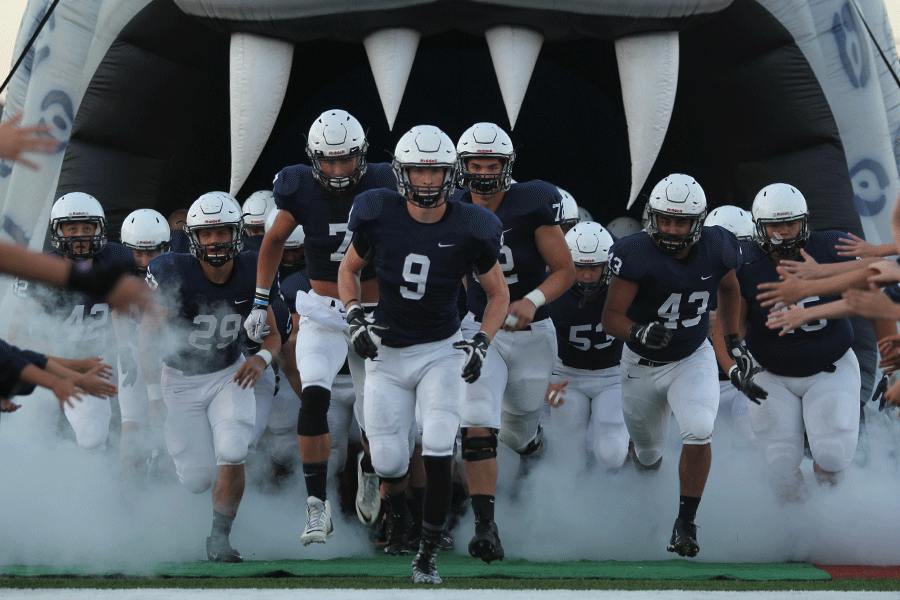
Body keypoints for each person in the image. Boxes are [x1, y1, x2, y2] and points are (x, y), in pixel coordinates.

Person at [338, 124, 508, 584]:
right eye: (418, 171)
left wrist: (482, 341)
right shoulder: (376, 212)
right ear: (401, 173)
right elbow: (348, 269)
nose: (428, 182)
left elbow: (498, 295)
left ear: (449, 175)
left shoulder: (473, 225)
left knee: (437, 442)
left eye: (435, 172)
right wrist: (354, 315)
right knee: (390, 460)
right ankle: (398, 519)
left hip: (441, 350)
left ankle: (426, 554)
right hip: (388, 353)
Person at [244, 109, 396, 545]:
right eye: (328, 161)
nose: (337, 170)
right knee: (314, 393)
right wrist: (260, 300)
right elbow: (273, 239)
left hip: (373, 311)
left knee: (377, 418)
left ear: (362, 155)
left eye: (346, 160)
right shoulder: (296, 186)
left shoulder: (386, 182)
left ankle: (371, 471)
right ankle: (316, 507)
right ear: (313, 159)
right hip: (322, 312)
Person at [601, 173, 750, 558]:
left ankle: (685, 523)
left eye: (680, 221)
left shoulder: (718, 245)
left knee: (700, 429)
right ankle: (639, 511)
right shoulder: (636, 252)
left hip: (691, 357)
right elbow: (611, 316)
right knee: (648, 454)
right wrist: (637, 332)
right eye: (665, 219)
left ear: (696, 222)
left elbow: (730, 289)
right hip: (640, 363)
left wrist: (731, 339)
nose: (670, 228)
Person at [718, 183, 894, 502]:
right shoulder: (743, 264)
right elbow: (729, 328)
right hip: (771, 372)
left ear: (805, 221)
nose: (784, 232)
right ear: (759, 227)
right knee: (780, 460)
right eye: (775, 225)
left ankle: (830, 522)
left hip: (831, 365)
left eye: (791, 223)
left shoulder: (831, 246)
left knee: (832, 453)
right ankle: (797, 529)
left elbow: (875, 299)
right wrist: (735, 365)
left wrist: (892, 362)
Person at [455, 122, 574, 564]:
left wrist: (532, 299)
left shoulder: (530, 204)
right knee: (477, 418)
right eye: (476, 165)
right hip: (478, 328)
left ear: (507, 167)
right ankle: (485, 527)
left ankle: (532, 447)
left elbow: (565, 270)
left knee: (518, 427)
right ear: (462, 168)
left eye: (492, 165)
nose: (484, 174)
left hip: (529, 333)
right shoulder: (451, 207)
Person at [140, 192, 281, 562]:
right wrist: (154, 397)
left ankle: (219, 539)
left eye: (221, 232)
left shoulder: (254, 269)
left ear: (236, 233)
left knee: (234, 450)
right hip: (180, 379)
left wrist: (262, 358)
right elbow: (148, 338)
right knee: (197, 480)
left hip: (228, 373)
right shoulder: (172, 269)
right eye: (206, 234)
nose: (215, 241)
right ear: (193, 239)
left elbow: (277, 334)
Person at [9, 192, 135, 451]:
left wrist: (126, 351)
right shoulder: (42, 268)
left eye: (87, 227)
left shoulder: (116, 260)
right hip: (47, 365)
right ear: (58, 232)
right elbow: (16, 334)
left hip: (94, 365)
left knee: (92, 437)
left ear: (99, 230)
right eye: (72, 228)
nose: (79, 235)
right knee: (32, 441)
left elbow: (125, 311)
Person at [544, 221, 627, 471]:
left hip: (613, 374)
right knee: (566, 457)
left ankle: (615, 500)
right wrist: (542, 379)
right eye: (580, 267)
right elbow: (525, 335)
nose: (588, 276)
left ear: (609, 265)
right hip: (566, 374)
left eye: (595, 267)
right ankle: (568, 507)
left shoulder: (626, 287)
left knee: (612, 453)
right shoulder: (548, 288)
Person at [118, 208, 172, 479]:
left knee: (169, 433)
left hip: (169, 358)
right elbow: (117, 314)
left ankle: (165, 496)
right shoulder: (119, 272)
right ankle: (128, 496)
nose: (144, 260)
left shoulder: (176, 270)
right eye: (138, 253)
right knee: (132, 427)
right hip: (133, 355)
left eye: (152, 252)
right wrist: (122, 352)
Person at [702, 206, 756, 449]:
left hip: (751, 377)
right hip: (703, 381)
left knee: (750, 437)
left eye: (737, 247)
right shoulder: (692, 277)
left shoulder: (762, 277)